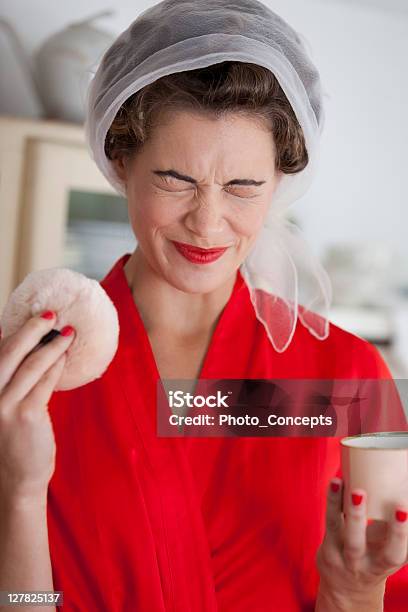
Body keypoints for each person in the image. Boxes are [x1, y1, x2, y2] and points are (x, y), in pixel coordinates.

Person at [0, 1, 407, 610]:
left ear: (281, 180)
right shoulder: (36, 371)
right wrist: (20, 494)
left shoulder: (347, 377)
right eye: (174, 179)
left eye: (243, 187)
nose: (207, 223)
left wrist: (354, 592)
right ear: (120, 161)